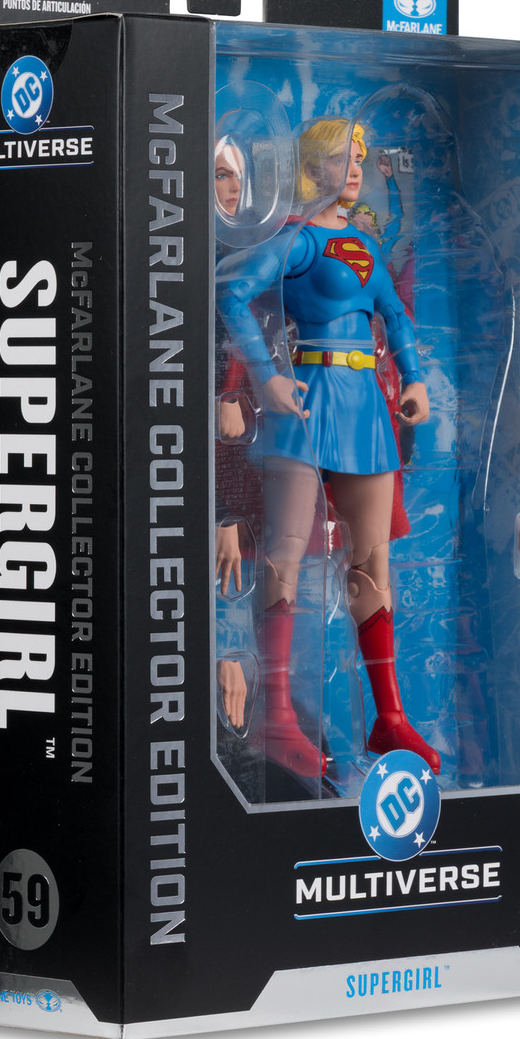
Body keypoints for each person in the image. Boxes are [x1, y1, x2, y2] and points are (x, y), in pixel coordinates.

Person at [218, 118, 440, 776]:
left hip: (365, 406)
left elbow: (394, 315)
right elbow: (232, 292)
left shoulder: (363, 244)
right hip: (306, 401)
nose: (355, 168)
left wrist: (416, 378)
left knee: (372, 563)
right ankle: (276, 714)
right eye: (343, 158)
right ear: (312, 168)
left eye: (360, 158)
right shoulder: (298, 241)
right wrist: (266, 377)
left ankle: (390, 717)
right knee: (285, 553)